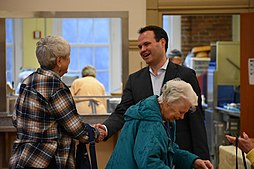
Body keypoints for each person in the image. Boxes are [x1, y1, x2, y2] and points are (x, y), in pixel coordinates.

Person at [95, 25, 210, 160]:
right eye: (140, 47)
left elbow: (196, 120)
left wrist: (202, 158)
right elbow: (123, 112)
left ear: (162, 43)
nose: (143, 50)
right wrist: (105, 128)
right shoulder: (134, 80)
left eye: (146, 44)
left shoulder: (186, 75)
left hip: (181, 154)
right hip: (146, 154)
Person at [9, 35, 99, 169]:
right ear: (59, 61)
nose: (69, 61)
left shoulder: (28, 81)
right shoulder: (56, 87)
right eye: (68, 57)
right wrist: (95, 133)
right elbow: (75, 128)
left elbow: (16, 119)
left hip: (23, 158)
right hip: (48, 160)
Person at [106, 79, 213, 169]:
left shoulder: (163, 119)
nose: (181, 117)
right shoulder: (150, 123)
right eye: (180, 112)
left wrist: (194, 161)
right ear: (168, 102)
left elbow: (169, 149)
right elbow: (149, 163)